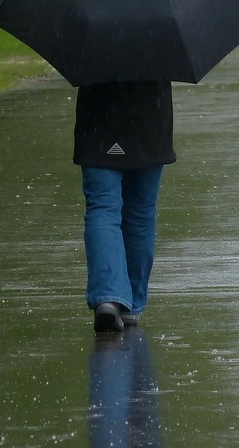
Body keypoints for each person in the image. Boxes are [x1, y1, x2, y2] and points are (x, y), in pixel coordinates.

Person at [74, 81, 176, 332]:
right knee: (140, 213)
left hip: (98, 113)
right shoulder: (160, 41)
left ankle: (108, 297)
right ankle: (131, 304)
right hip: (150, 112)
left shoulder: (94, 42)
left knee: (102, 207)